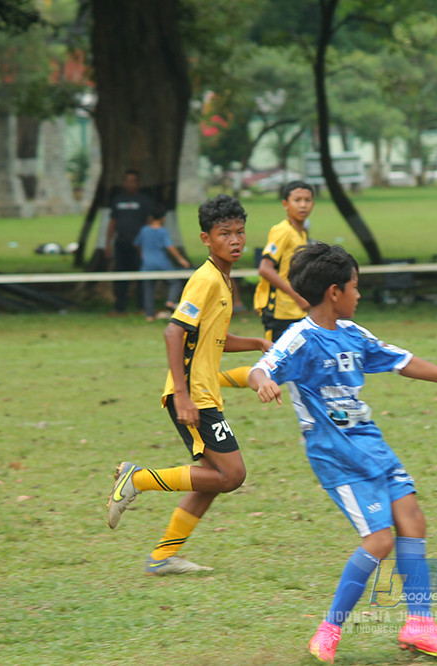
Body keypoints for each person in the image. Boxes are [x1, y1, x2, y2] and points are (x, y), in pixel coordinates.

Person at [248, 241, 437, 663]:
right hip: (336, 456)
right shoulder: (301, 338)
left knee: (413, 519)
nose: (360, 296)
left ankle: (421, 624)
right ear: (334, 292)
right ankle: (328, 630)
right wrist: (262, 383)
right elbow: (263, 368)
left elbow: (403, 361)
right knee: (379, 540)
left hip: (371, 444)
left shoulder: (353, 334)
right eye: (355, 288)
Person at [106, 194, 271, 575]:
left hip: (202, 392)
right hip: (193, 395)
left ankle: (163, 557)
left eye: (240, 232)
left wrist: (258, 343)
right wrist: (182, 395)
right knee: (232, 475)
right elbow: (172, 332)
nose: (235, 239)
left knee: (212, 479)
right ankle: (138, 479)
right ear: (205, 239)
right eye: (224, 233)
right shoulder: (206, 280)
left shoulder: (224, 281)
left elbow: (216, 339)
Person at [253, 180, 314, 341]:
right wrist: (297, 297)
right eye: (297, 200)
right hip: (279, 309)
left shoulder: (302, 233)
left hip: (295, 308)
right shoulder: (282, 230)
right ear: (286, 204)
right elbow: (265, 268)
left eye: (307, 200)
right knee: (277, 361)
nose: (303, 205)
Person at [106, 169, 154, 315]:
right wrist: (108, 243)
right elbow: (113, 222)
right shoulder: (118, 200)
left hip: (139, 246)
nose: (130, 184)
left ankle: (141, 307)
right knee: (120, 275)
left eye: (133, 181)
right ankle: (119, 307)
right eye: (127, 180)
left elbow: (150, 221)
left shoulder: (144, 200)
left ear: (137, 183)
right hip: (121, 243)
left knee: (141, 276)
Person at [135, 204, 191, 322]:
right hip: (162, 263)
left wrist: (142, 254)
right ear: (163, 218)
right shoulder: (163, 232)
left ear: (150, 217)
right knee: (175, 283)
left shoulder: (144, 230)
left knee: (148, 289)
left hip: (147, 264)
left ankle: (149, 316)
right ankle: (170, 301)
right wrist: (181, 259)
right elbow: (170, 246)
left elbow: (137, 244)